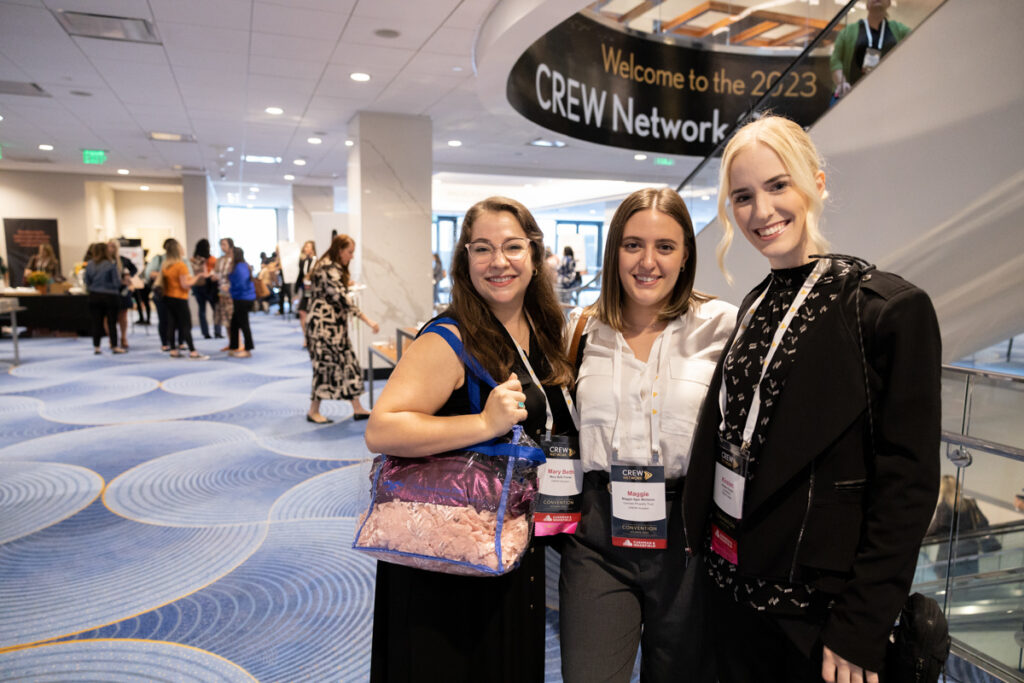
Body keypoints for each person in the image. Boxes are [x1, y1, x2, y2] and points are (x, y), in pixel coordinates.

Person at [682, 115, 940, 683]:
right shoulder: (753, 304)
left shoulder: (884, 310)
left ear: (816, 185)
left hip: (815, 621)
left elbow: (908, 485)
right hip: (729, 596)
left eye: (778, 186)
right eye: (743, 196)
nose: (761, 211)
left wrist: (861, 625)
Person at [364, 196, 574, 682]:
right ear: (465, 260)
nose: (498, 262)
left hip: (509, 538)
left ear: (535, 254)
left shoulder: (538, 328)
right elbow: (383, 428)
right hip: (449, 554)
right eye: (482, 249)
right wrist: (482, 424)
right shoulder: (449, 337)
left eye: (512, 247)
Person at [559, 188, 735, 683]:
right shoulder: (581, 329)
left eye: (665, 246)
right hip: (597, 534)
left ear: (685, 256)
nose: (647, 262)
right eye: (633, 244)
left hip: (687, 536)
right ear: (614, 249)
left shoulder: (721, 327)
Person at [305, 235, 379, 423]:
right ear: (339, 250)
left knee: (348, 363)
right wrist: (367, 320)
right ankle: (313, 411)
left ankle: (357, 407)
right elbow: (341, 299)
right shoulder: (328, 268)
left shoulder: (331, 267)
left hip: (333, 327)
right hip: (323, 327)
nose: (352, 256)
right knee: (324, 368)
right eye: (350, 252)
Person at [830, 0, 910, 100]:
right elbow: (836, 60)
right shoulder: (848, 31)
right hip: (852, 95)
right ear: (867, 5)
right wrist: (841, 83)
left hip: (890, 95)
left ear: (889, 3)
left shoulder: (900, 30)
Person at [160, 239, 209, 360]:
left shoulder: (166, 265)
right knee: (186, 325)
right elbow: (185, 284)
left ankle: (173, 349)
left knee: (172, 324)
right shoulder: (180, 265)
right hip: (180, 298)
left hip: (168, 297)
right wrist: (197, 276)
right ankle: (193, 351)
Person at [83, 242, 125, 355]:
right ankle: (114, 345)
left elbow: (86, 281)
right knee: (112, 322)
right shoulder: (110, 264)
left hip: (94, 296)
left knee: (96, 322)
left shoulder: (90, 264)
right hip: (110, 296)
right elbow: (116, 283)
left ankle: (97, 347)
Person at [144, 238, 175, 351]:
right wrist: (167, 274)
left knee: (176, 319)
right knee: (163, 318)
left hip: (176, 294)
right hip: (161, 293)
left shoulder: (181, 260)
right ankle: (165, 342)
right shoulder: (159, 259)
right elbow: (149, 274)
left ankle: (176, 342)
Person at [226, 246, 256, 358]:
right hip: (240, 298)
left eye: (231, 253)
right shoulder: (239, 266)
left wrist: (229, 289)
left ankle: (248, 349)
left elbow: (241, 284)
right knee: (234, 323)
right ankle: (233, 347)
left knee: (244, 324)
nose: (229, 255)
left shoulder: (240, 267)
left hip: (243, 298)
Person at [106, 239, 136, 351]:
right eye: (109, 246)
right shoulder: (105, 262)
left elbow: (134, 269)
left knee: (123, 315)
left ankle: (123, 337)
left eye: (113, 246)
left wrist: (127, 277)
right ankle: (112, 338)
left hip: (122, 291)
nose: (110, 249)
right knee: (108, 317)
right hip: (109, 291)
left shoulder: (123, 260)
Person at [190, 239, 218, 339]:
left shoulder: (192, 260)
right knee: (215, 309)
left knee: (202, 310)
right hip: (209, 286)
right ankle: (217, 332)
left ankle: (205, 333)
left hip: (197, 286)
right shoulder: (212, 260)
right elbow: (215, 273)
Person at [211, 238, 234, 345]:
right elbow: (215, 272)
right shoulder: (219, 260)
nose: (222, 247)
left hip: (232, 293)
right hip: (221, 292)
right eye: (221, 244)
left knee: (233, 319)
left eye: (224, 244)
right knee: (225, 319)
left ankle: (237, 343)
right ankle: (231, 343)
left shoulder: (234, 259)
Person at [296, 240, 316, 346]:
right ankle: (306, 336)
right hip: (305, 290)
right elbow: (300, 276)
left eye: (308, 247)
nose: (306, 249)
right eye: (305, 247)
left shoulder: (317, 261)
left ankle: (313, 337)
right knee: (302, 312)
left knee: (312, 315)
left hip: (315, 291)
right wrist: (295, 291)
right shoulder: (304, 261)